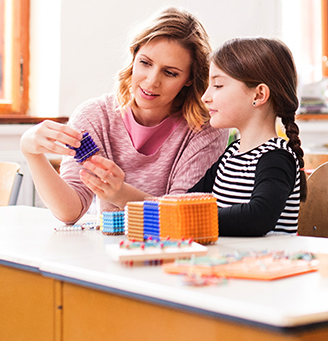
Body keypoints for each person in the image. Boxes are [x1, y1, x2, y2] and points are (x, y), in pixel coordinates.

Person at [20, 7, 229, 224]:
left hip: (176, 250)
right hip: (109, 248)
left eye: (170, 73)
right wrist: (31, 152)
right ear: (134, 56)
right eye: (145, 63)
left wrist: (120, 194)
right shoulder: (94, 117)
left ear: (189, 78)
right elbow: (69, 212)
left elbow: (183, 215)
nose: (151, 81)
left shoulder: (206, 128)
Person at [188, 37, 307, 237]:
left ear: (259, 95)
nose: (205, 96)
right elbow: (189, 200)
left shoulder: (277, 157)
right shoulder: (232, 153)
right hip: (231, 261)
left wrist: (195, 219)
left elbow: (258, 217)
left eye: (217, 85)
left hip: (267, 264)